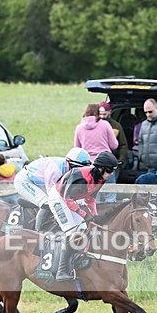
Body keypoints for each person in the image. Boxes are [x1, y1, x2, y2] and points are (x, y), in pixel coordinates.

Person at [47, 150, 118, 281]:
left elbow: (90, 199)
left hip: (71, 199)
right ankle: (61, 270)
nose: (111, 174)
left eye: (113, 170)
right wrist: (84, 214)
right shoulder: (82, 177)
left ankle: (77, 261)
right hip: (59, 198)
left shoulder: (101, 178)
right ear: (100, 168)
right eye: (109, 170)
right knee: (73, 232)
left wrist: (95, 215)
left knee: (85, 228)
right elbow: (68, 199)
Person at [14, 147, 91, 230]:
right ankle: (38, 233)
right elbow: (53, 197)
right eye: (77, 168)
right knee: (47, 203)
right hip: (25, 181)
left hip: (40, 181)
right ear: (69, 163)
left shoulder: (68, 167)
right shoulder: (55, 171)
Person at [98, 101, 128, 202]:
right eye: (100, 114)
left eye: (104, 114)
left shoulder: (116, 126)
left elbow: (123, 145)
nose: (102, 116)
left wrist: (121, 160)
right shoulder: (94, 126)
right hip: (97, 163)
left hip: (112, 162)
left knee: (110, 190)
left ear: (110, 112)